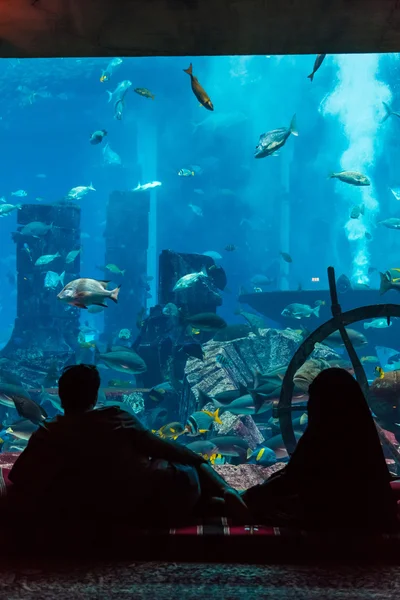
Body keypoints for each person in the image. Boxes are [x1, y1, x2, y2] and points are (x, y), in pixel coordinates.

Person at [7, 364, 249, 526]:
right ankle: (229, 495)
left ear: (60, 395)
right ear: (94, 397)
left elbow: (20, 477)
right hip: (154, 501)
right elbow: (169, 449)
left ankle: (215, 507)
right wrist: (205, 466)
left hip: (93, 513)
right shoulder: (116, 418)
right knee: (187, 467)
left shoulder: (47, 433)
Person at [242, 368, 398, 531]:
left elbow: (293, 477)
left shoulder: (320, 435)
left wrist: (252, 495)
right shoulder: (364, 431)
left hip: (330, 519)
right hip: (372, 517)